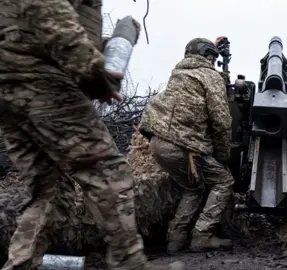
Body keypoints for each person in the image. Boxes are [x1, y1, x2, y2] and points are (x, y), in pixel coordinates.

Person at [0, 1, 185, 269]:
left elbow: (46, 27)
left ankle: (20, 265)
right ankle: (130, 263)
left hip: (10, 85)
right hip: (41, 80)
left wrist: (109, 46)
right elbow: (48, 11)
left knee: (51, 191)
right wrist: (94, 74)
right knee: (107, 170)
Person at [139, 37, 234, 254]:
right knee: (223, 181)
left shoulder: (179, 74)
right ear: (208, 56)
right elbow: (221, 120)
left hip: (158, 144)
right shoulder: (210, 76)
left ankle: (175, 239)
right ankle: (202, 234)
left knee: (193, 188)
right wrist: (222, 154)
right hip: (184, 147)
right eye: (212, 57)